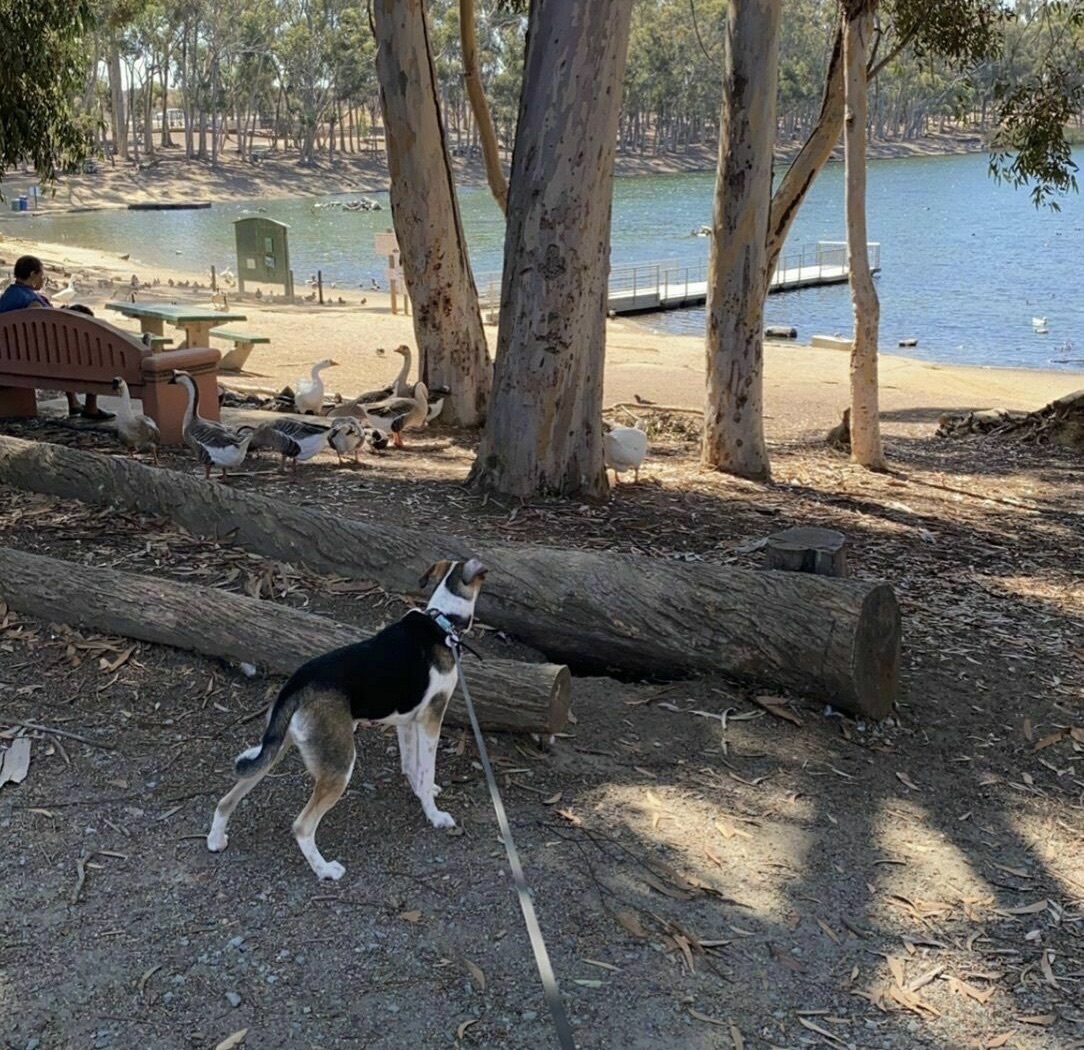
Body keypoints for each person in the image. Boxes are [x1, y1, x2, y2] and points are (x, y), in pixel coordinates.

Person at [0, 255, 114, 420]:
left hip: (11, 356)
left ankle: (74, 403)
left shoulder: (8, 296)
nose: (43, 279)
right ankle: (91, 407)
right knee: (92, 351)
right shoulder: (33, 303)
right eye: (42, 275)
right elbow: (45, 333)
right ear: (33, 274)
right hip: (42, 358)